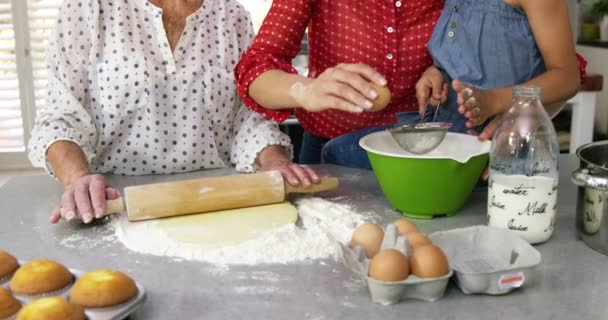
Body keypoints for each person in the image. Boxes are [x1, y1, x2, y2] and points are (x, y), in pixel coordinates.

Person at [28, 0, 319, 225]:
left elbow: (247, 119)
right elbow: (61, 115)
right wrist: (77, 178)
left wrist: (273, 160)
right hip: (116, 204)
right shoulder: (91, 8)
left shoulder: (231, 16)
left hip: (215, 203)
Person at [235, 0, 445, 168]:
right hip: (329, 151)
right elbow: (256, 71)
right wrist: (306, 90)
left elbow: (467, 44)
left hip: (422, 148)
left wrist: (443, 66)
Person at [415, 0, 583, 150]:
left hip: (510, 148)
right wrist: (436, 71)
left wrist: (495, 100)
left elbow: (567, 77)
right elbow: (466, 54)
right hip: (446, 146)